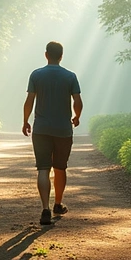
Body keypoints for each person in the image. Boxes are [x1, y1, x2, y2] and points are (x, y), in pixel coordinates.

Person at [22, 41, 83, 226]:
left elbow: (29, 101)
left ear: (46, 54)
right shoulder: (70, 76)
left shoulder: (36, 75)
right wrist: (76, 116)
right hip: (63, 130)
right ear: (61, 56)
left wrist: (25, 121)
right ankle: (58, 204)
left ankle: (45, 209)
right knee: (60, 168)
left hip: (41, 129)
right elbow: (78, 101)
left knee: (43, 168)